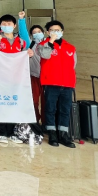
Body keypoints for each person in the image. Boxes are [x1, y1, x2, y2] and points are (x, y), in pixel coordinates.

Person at [0, 14, 32, 144]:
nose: (6, 26)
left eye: (9, 24)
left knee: (14, 104)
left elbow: (25, 55)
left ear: (14, 26)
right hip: (0, 77)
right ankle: (2, 132)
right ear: (0, 25)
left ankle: (12, 132)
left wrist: (29, 54)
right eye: (4, 24)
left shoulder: (21, 42)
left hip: (16, 78)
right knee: (0, 104)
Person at [38, 20, 77, 148]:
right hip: (51, 82)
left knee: (65, 109)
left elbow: (73, 64)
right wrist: (51, 42)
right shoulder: (43, 45)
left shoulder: (70, 47)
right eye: (52, 30)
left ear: (62, 31)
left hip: (67, 83)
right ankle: (52, 134)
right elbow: (45, 55)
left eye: (58, 30)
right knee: (50, 109)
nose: (55, 32)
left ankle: (63, 134)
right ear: (47, 32)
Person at [18, 11, 46, 123]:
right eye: (34, 33)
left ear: (44, 33)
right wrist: (21, 19)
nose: (37, 34)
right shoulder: (30, 44)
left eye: (39, 32)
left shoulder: (49, 44)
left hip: (47, 78)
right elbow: (23, 33)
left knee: (46, 101)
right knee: (33, 100)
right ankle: (35, 120)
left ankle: (46, 122)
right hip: (34, 76)